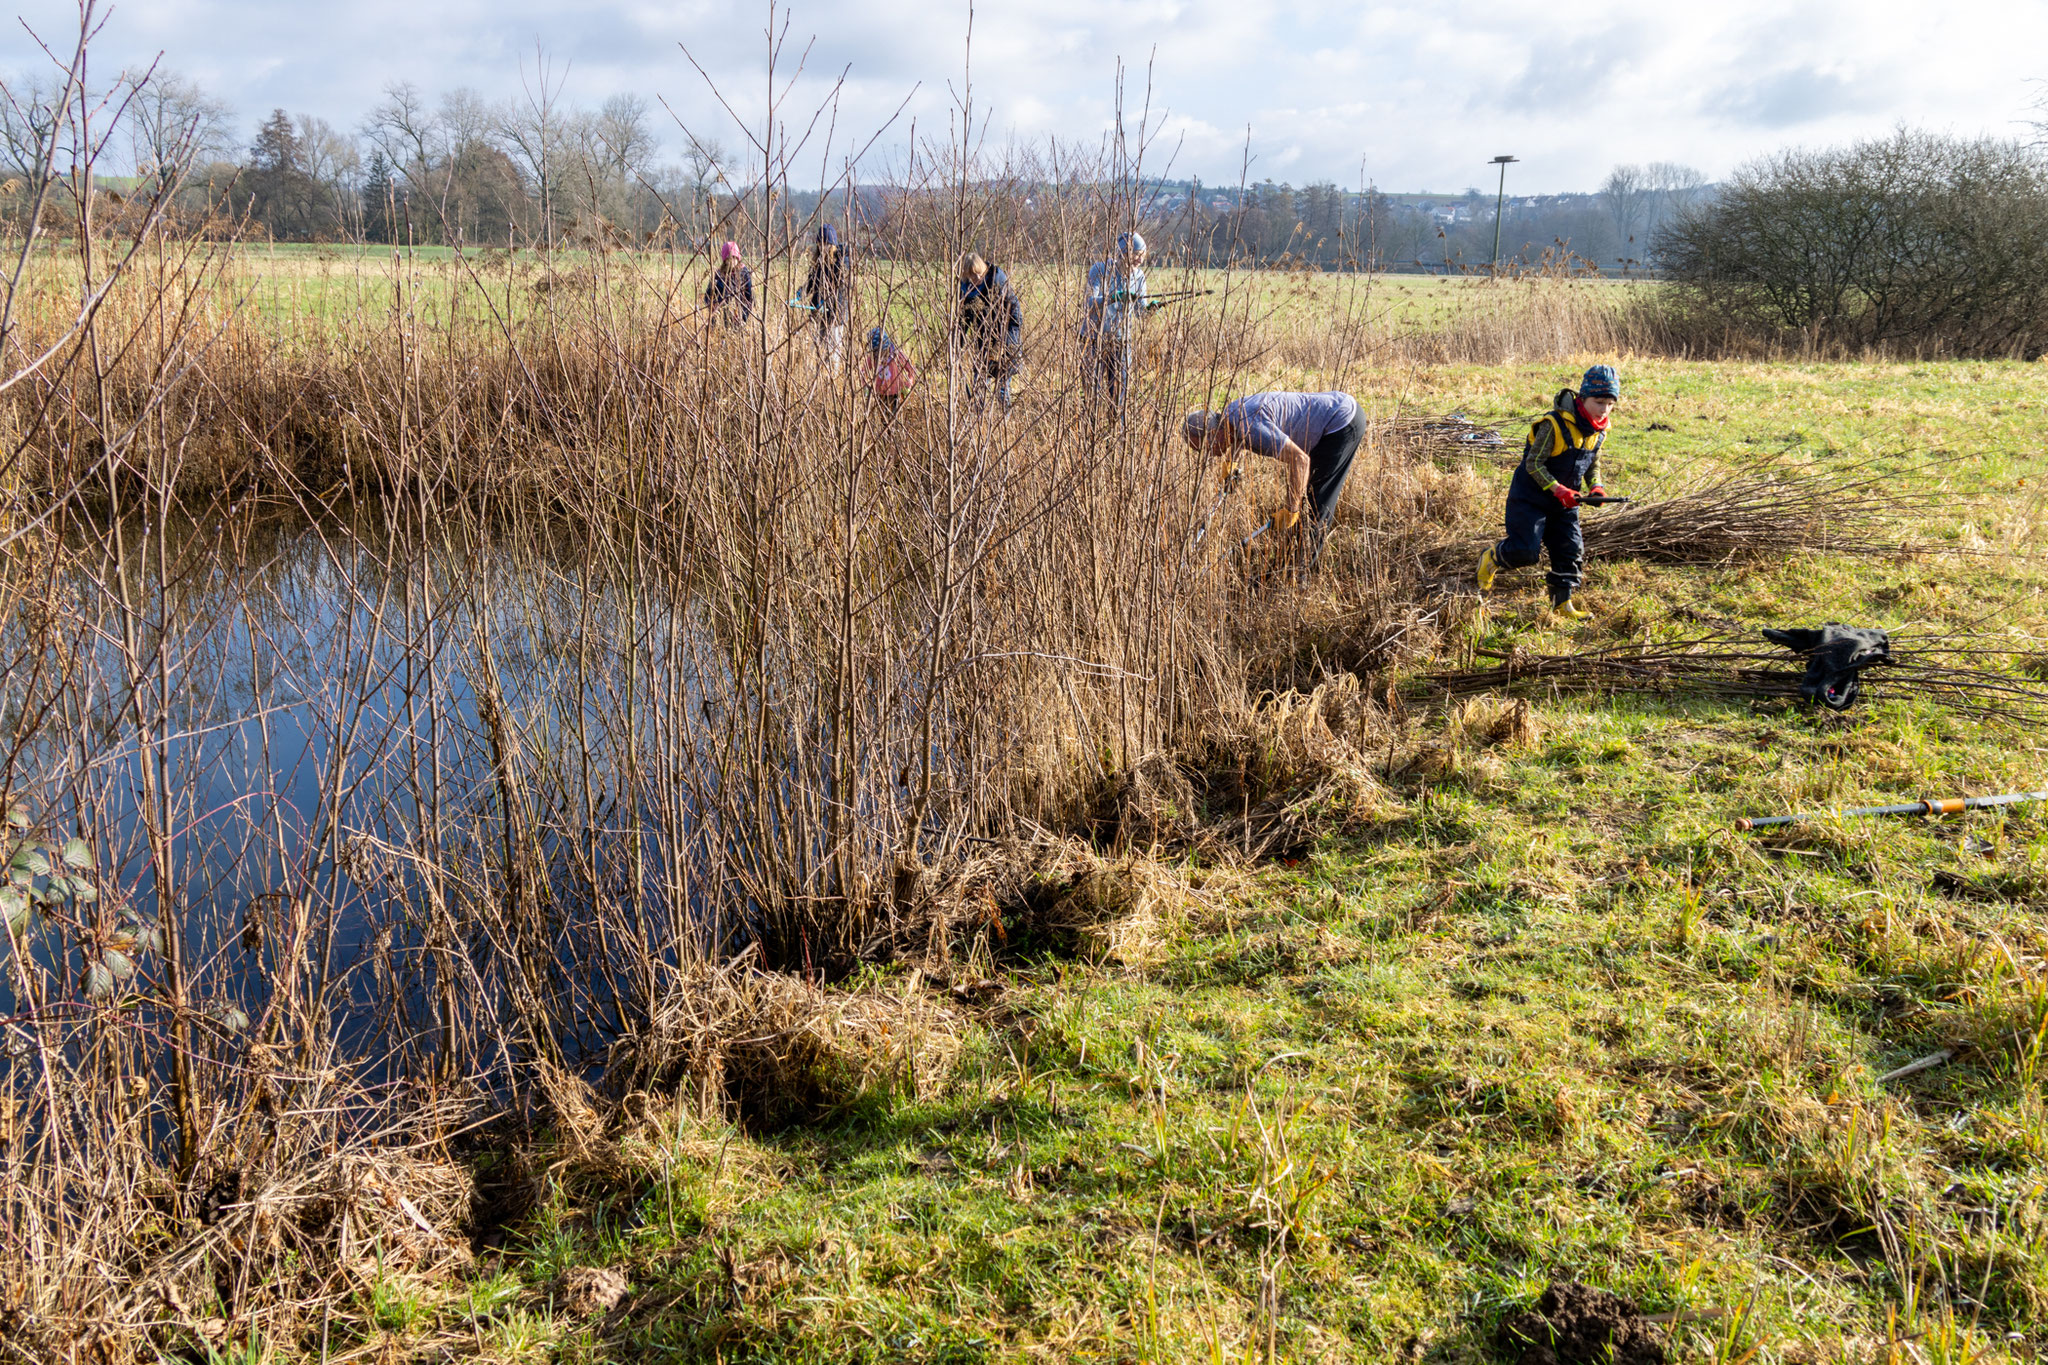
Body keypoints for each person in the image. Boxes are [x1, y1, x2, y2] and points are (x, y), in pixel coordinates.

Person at [1475, 364, 1621, 619]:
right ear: (1582, 397)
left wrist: (1595, 486)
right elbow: (1533, 463)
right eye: (1599, 402)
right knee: (1526, 551)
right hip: (1530, 498)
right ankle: (1491, 558)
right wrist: (1557, 488)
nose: (1604, 410)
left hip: (1565, 504)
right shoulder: (1552, 424)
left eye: (1610, 404)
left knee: (1570, 550)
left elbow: (1592, 461)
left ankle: (1562, 605)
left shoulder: (1600, 431)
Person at [1180, 390, 1365, 557]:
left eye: (1205, 448)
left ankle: (1299, 574)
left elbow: (1300, 460)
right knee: (1307, 500)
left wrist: (1291, 510)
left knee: (1315, 504)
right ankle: (1290, 561)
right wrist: (1231, 463)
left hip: (1341, 423)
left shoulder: (1250, 425)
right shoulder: (1231, 415)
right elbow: (1237, 435)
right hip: (1330, 418)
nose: (1207, 455)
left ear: (1214, 433)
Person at [1083, 232, 1150, 404]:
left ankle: (1117, 428)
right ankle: (1091, 427)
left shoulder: (1139, 276)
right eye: (1136, 254)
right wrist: (1112, 298)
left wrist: (1150, 309)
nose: (1140, 260)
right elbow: (1088, 302)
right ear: (1123, 252)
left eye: (1143, 255)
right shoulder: (1099, 270)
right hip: (1093, 339)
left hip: (1121, 341)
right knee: (1092, 392)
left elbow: (1139, 311)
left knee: (1119, 393)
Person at [954, 252, 1023, 413]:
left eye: (978, 274)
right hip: (982, 339)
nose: (976, 278)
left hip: (1003, 338)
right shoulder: (965, 290)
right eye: (972, 276)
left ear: (983, 270)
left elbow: (1015, 314)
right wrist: (957, 346)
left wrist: (1009, 343)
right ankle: (978, 420)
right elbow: (963, 321)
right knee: (979, 381)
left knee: (1002, 383)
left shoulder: (997, 280)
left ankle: (1004, 417)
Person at [799, 223, 851, 365]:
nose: (823, 247)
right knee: (815, 350)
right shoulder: (818, 262)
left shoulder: (841, 263)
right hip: (818, 313)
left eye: (826, 243)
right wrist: (801, 293)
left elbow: (840, 287)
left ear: (832, 244)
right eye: (820, 243)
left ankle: (831, 380)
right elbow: (812, 282)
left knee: (832, 352)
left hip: (835, 315)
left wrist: (827, 302)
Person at [703, 240, 753, 328]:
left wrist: (743, 317)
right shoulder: (718, 275)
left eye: (734, 258)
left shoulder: (744, 274)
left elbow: (749, 298)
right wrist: (713, 305)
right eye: (729, 258)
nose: (732, 261)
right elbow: (707, 296)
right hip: (719, 317)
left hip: (737, 318)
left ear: (738, 258)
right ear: (725, 260)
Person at [867, 326, 916, 415]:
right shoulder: (872, 358)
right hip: (880, 393)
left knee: (893, 417)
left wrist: (908, 385)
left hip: (895, 393)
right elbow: (864, 371)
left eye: (882, 352)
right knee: (883, 418)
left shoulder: (896, 354)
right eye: (876, 354)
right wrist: (866, 387)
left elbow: (911, 370)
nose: (880, 357)